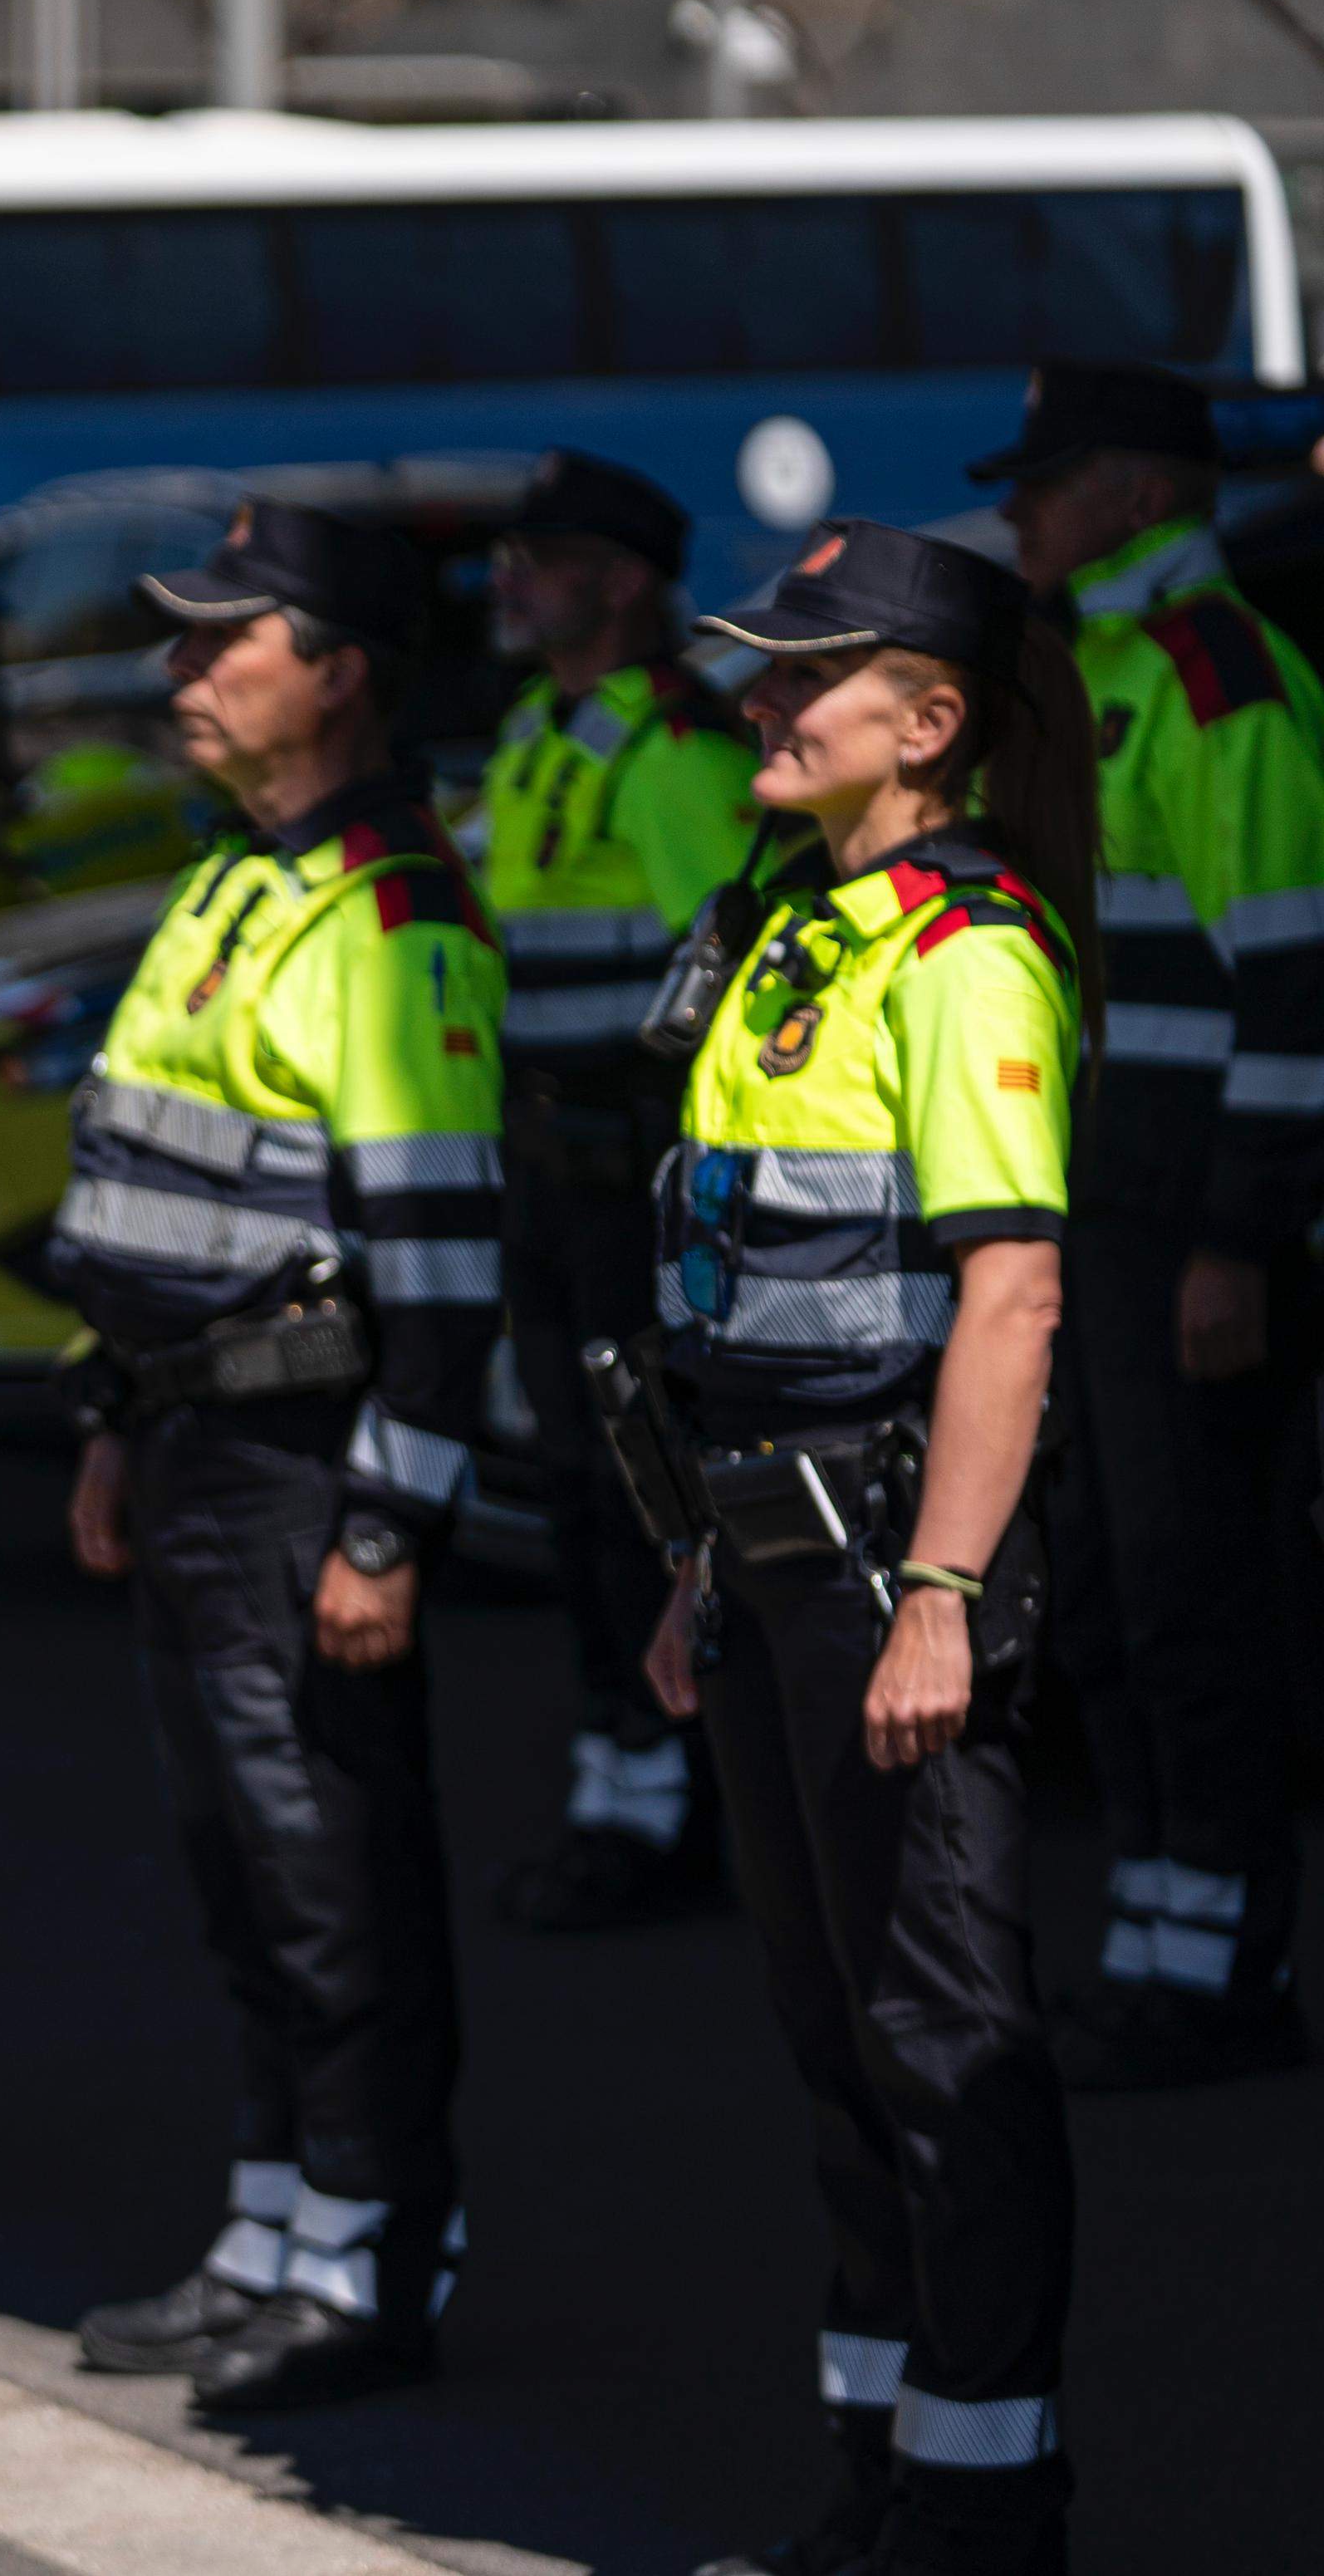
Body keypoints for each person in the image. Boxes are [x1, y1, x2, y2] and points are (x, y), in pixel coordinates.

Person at [646, 522, 1096, 2576]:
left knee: (940, 2042)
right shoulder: (798, 924)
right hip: (765, 1560)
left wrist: (936, 1592)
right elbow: (747, 1311)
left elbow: (1007, 1298)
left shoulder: (966, 950)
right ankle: (880, 2492)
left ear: (927, 726)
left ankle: (982, 2512)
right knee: (833, 2034)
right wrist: (694, 1569)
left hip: (886, 1567)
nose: (760, 696)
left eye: (800, 673)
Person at [52, 499, 503, 2413]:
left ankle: (367, 2255)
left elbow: (448, 1278)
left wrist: (389, 1525)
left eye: (221, 637)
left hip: (303, 1457)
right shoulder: (236, 879)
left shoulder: (392, 914)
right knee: (241, 1867)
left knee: (332, 1876)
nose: (178, 668)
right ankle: (270, 2229)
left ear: (335, 664)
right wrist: (103, 1417)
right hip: (187, 1445)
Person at [978, 359, 1324, 2093]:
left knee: (1199, 1587)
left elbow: (1294, 976)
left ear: (1133, 490)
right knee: (1106, 1585)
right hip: (1090, 1209)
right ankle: (1151, 1931)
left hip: (1182, 1220)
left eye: (1044, 484)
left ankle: (1224, 1965)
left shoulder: (1213, 675)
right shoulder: (1073, 679)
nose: (1019, 512)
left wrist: (1238, 1241)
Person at [475, 450, 772, 1933]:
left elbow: (720, 1007)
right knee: (578, 1497)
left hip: (628, 1192)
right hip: (546, 1176)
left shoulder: (675, 754)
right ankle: (617, 1782)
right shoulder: (542, 730)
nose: (513, 577)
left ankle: (675, 1798)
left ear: (630, 579)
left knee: (645, 1492)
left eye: (550, 554)